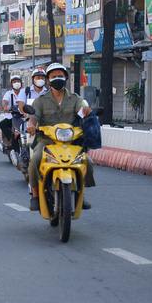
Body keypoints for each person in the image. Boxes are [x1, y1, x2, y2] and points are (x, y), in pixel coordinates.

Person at [26, 63, 94, 211]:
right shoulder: (41, 100)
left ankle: (80, 194)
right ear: (48, 80)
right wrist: (31, 125)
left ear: (66, 78)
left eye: (60, 76)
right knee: (35, 160)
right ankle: (35, 196)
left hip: (71, 142)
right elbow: (33, 117)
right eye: (54, 76)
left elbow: (83, 107)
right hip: (47, 142)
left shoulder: (75, 99)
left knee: (87, 161)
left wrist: (87, 111)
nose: (58, 79)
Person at [0, 75, 23, 152]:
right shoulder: (9, 93)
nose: (16, 83)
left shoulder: (24, 92)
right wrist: (5, 108)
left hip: (23, 117)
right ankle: (10, 138)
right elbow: (5, 102)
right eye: (14, 82)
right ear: (11, 84)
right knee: (2, 124)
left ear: (21, 83)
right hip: (11, 117)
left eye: (18, 81)